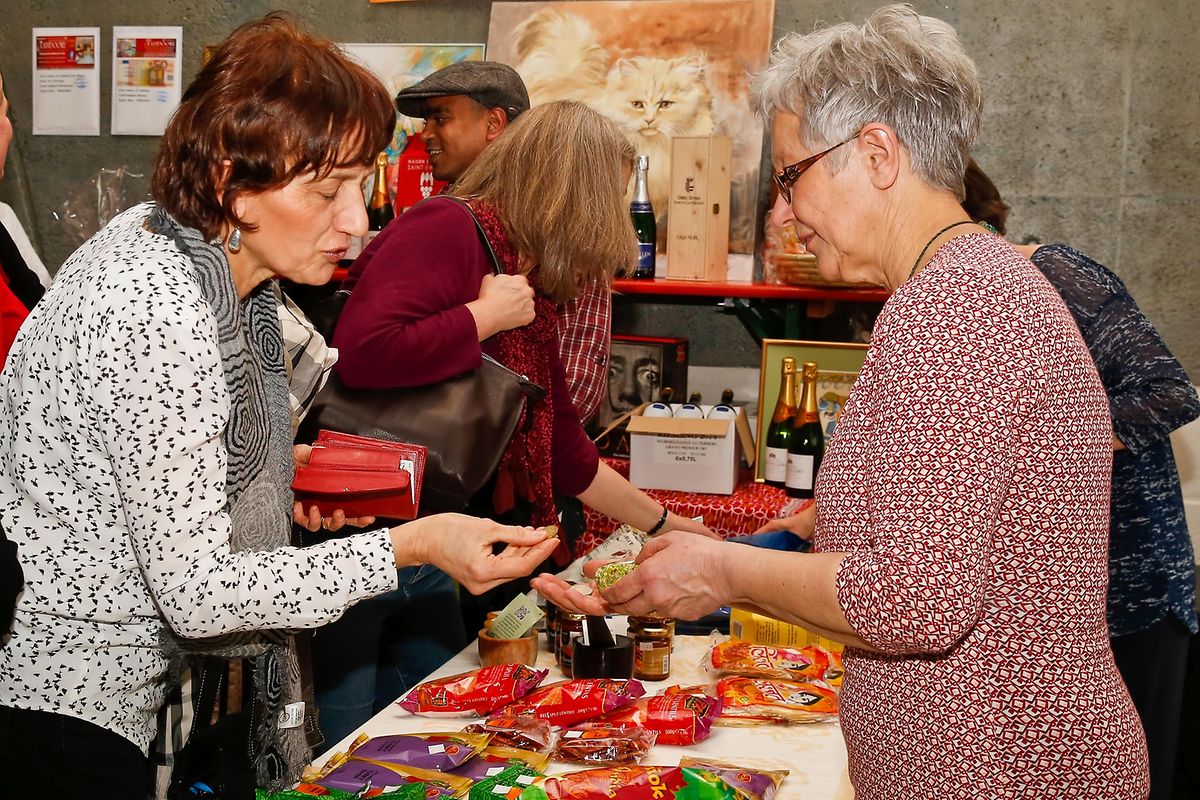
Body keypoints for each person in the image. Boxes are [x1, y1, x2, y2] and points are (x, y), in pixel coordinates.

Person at [534, 6, 1149, 798]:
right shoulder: (965, 287)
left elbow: (914, 599)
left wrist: (724, 571)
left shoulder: (958, 304)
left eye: (790, 177)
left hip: (1002, 766)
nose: (784, 212)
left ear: (877, 153)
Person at [0, 15, 559, 797]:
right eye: (327, 190)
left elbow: (144, 475)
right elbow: (197, 594)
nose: (356, 224)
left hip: (116, 697)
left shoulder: (184, 254)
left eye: (360, 187)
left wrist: (276, 482)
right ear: (232, 179)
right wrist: (415, 546)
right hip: (64, 710)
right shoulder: (159, 307)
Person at [334, 97, 715, 581]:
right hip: (360, 532)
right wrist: (484, 316)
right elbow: (361, 352)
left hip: (435, 531)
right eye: (608, 198)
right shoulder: (447, 226)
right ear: (570, 193)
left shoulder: (518, 266)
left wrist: (666, 525)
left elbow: (562, 443)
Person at [963, 157, 1198, 800]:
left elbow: (1170, 391)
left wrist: (1039, 444)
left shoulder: (1056, 274)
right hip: (1067, 599)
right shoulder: (971, 308)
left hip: (1136, 591)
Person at [394, 60, 611, 422]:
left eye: (440, 118)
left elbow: (576, 380)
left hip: (509, 451)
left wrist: (511, 439)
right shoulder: (436, 216)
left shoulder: (548, 220)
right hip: (429, 444)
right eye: (424, 121)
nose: (426, 134)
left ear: (494, 124)